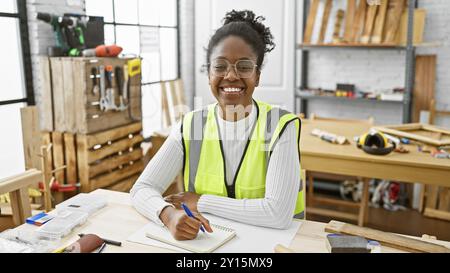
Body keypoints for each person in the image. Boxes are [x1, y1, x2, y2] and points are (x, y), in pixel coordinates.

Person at [131, 10, 303, 241]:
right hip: (207, 245)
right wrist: (168, 215)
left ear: (257, 76)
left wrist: (201, 200)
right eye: (220, 66)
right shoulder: (191, 125)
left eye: (243, 67)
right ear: (209, 73)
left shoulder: (281, 126)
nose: (231, 76)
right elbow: (141, 189)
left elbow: (278, 214)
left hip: (274, 246)